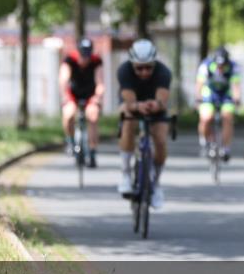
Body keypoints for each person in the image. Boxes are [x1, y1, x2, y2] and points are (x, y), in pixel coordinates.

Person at [116, 39, 172, 209]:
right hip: (134, 104)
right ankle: (125, 173)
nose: (144, 72)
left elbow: (162, 100)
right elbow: (129, 100)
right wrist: (137, 106)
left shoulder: (163, 72)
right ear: (132, 64)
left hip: (155, 106)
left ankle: (155, 184)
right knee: (128, 121)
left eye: (149, 67)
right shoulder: (124, 70)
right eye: (139, 68)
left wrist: (156, 105)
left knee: (161, 140)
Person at [59, 37, 105, 167]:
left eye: (87, 55)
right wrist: (65, 97)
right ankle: (70, 141)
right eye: (83, 55)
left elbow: (100, 82)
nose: (85, 59)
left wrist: (97, 97)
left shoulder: (96, 61)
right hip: (73, 94)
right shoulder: (69, 60)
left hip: (90, 94)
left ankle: (92, 151)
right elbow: (63, 80)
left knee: (93, 116)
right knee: (69, 114)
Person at [196, 46, 242, 161]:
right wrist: (198, 98)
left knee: (227, 117)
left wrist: (237, 99)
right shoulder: (206, 66)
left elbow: (236, 86)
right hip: (209, 93)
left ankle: (225, 148)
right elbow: (199, 84)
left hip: (225, 95)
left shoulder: (233, 67)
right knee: (206, 118)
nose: (220, 67)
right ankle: (206, 140)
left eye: (223, 65)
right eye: (218, 65)